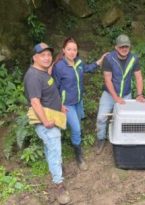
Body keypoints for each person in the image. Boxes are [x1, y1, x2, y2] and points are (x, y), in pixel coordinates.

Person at [24, 42, 71, 204]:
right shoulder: (33, 76)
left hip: (53, 116)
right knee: (55, 150)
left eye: (48, 55)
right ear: (34, 58)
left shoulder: (43, 72)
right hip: (45, 121)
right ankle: (59, 185)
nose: (46, 58)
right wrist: (45, 121)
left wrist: (61, 106)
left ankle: (55, 167)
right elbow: (35, 102)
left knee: (51, 148)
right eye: (42, 55)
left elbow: (50, 94)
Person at [52, 37, 107, 170]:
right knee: (76, 129)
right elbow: (54, 87)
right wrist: (59, 105)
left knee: (78, 128)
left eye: (74, 50)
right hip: (67, 104)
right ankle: (79, 156)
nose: (72, 52)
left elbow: (87, 68)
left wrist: (99, 61)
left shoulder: (79, 62)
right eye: (69, 49)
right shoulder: (59, 66)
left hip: (78, 102)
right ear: (64, 50)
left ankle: (76, 147)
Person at [95, 34, 145, 154]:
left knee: (126, 119)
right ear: (116, 47)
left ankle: (124, 141)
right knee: (101, 118)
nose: (124, 49)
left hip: (126, 94)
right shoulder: (109, 58)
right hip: (109, 94)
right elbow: (108, 79)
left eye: (126, 46)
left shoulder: (134, 59)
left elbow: (138, 78)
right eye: (121, 46)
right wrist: (116, 97)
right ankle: (101, 139)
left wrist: (139, 94)